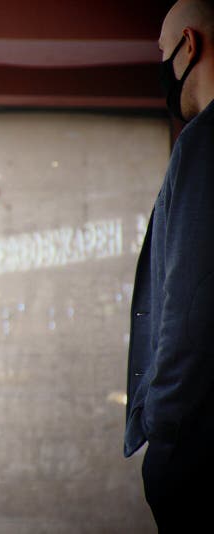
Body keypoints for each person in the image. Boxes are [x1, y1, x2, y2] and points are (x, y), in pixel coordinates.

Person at [124, 1, 214, 531]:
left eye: (162, 54)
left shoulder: (202, 144)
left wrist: (164, 430)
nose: (161, 68)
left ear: (189, 44)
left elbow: (191, 301)